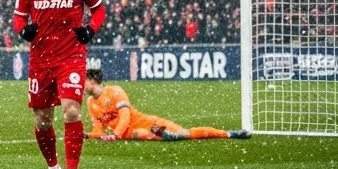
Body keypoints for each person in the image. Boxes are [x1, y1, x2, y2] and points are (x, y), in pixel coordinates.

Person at [11, 0, 106, 169]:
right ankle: (53, 168)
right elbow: (19, 17)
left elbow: (99, 10)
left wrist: (90, 30)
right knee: (42, 120)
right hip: (40, 60)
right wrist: (23, 30)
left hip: (71, 57)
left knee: (72, 111)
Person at [84, 69, 251, 140]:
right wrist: (89, 135)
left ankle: (228, 134)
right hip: (133, 133)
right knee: (138, 134)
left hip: (146, 122)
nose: (81, 86)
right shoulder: (90, 102)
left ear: (92, 81)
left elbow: (125, 117)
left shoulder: (115, 91)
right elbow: (98, 129)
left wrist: (116, 134)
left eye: (84, 81)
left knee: (186, 133)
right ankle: (164, 137)